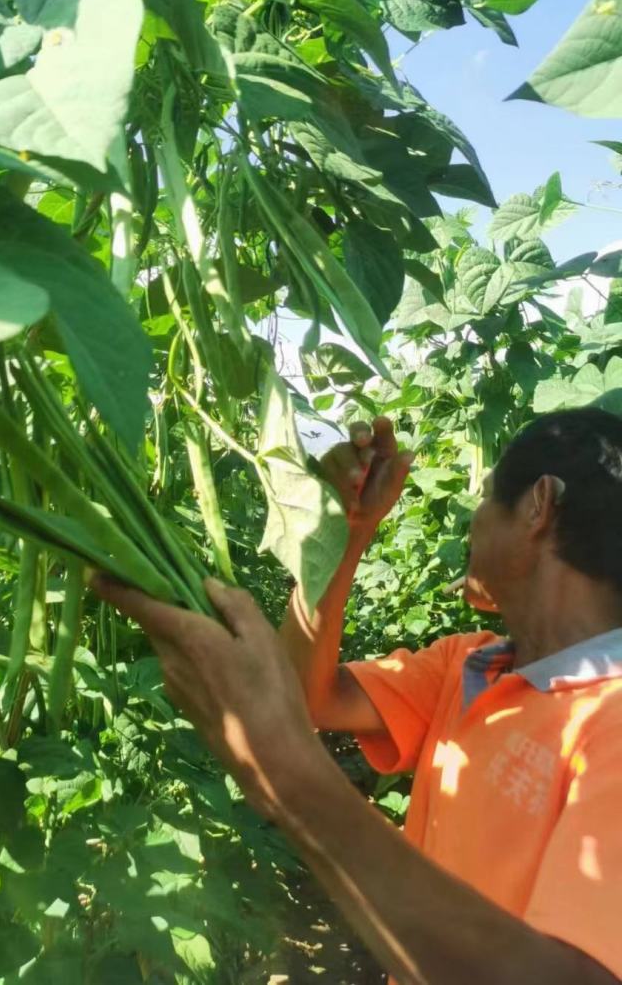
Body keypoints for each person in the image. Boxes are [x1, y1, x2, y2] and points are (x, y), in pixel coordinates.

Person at [94, 407, 622, 985]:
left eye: (487, 497)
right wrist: (343, 534)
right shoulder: (470, 665)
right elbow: (305, 695)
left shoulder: (612, 722)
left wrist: (282, 771)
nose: (471, 525)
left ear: (537, 506)